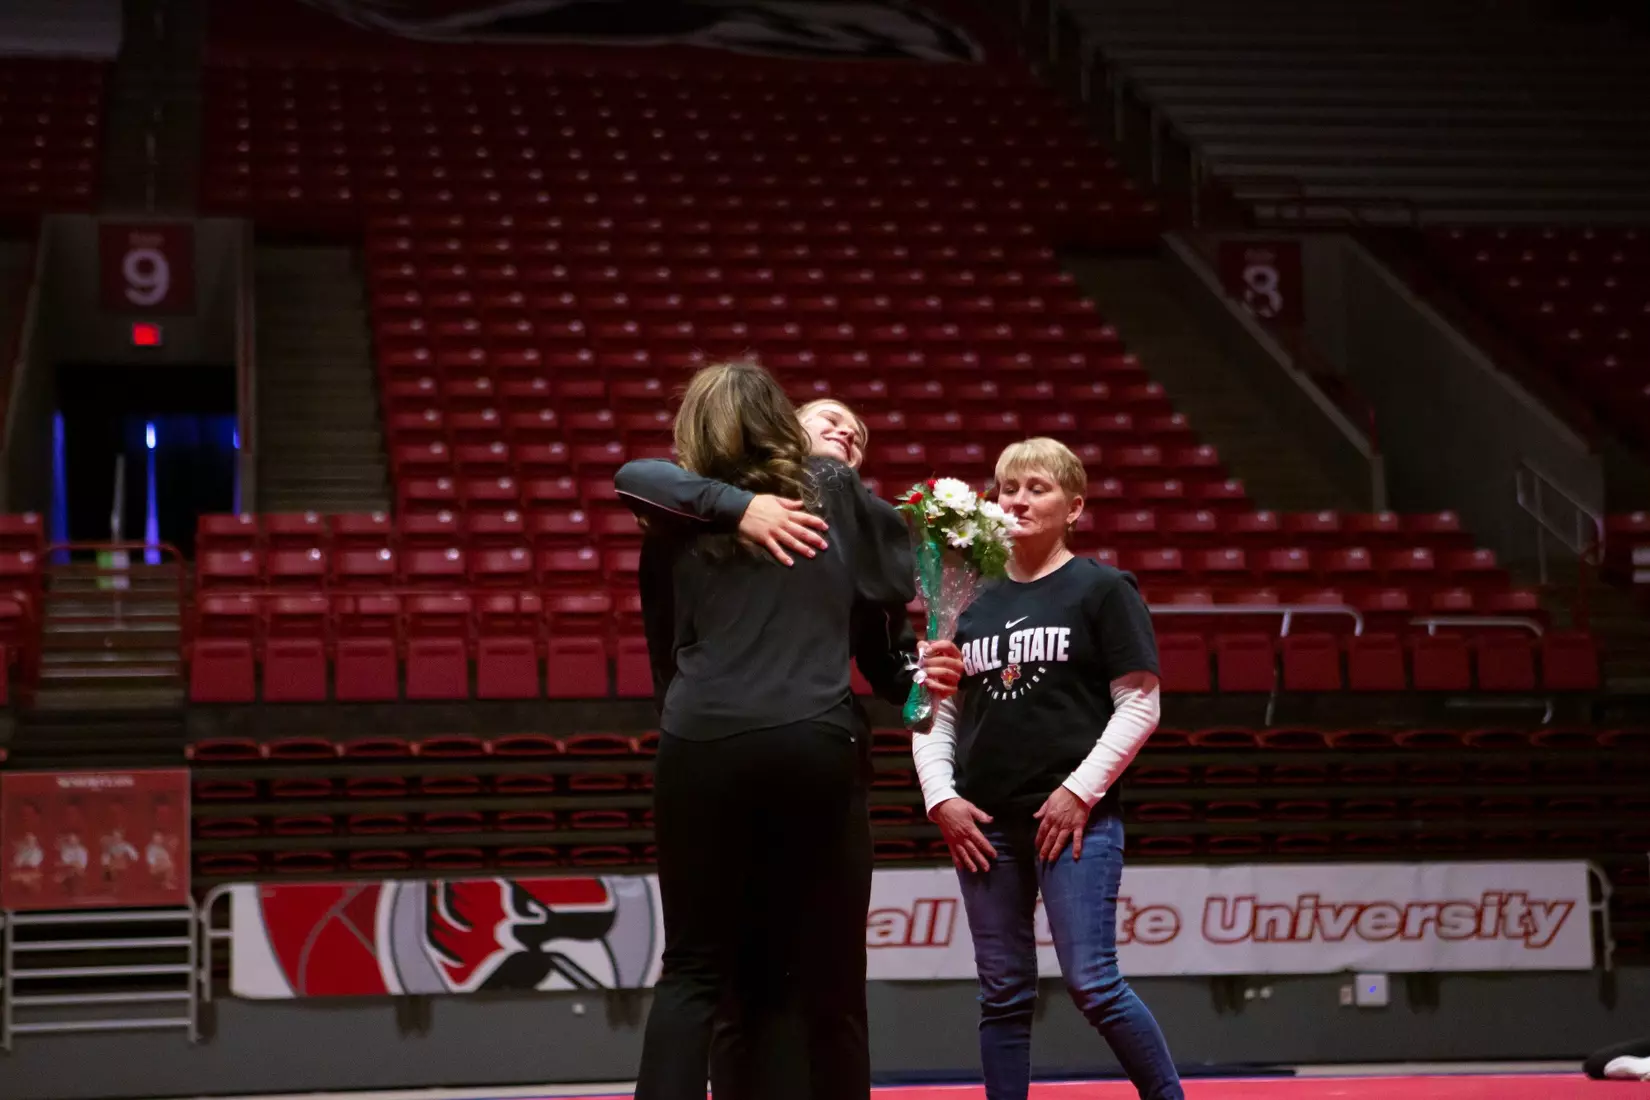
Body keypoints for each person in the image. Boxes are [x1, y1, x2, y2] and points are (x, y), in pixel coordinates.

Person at [618, 392, 963, 1098]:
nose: (846, 431)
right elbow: (635, 475)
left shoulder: (842, 515)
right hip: (798, 745)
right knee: (762, 977)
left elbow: (881, 660)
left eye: (858, 432)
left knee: (751, 972)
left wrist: (920, 674)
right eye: (828, 419)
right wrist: (743, 507)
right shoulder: (698, 511)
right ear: (781, 432)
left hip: (710, 745)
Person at [911, 437, 1183, 1100]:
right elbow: (933, 712)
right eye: (1009, 489)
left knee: (1093, 983)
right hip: (984, 824)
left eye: (1038, 488)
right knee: (1002, 994)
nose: (1019, 500)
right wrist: (939, 798)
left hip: (1075, 820)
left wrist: (1077, 792)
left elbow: (1139, 706)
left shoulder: (1101, 588)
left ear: (1075, 506)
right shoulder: (963, 598)